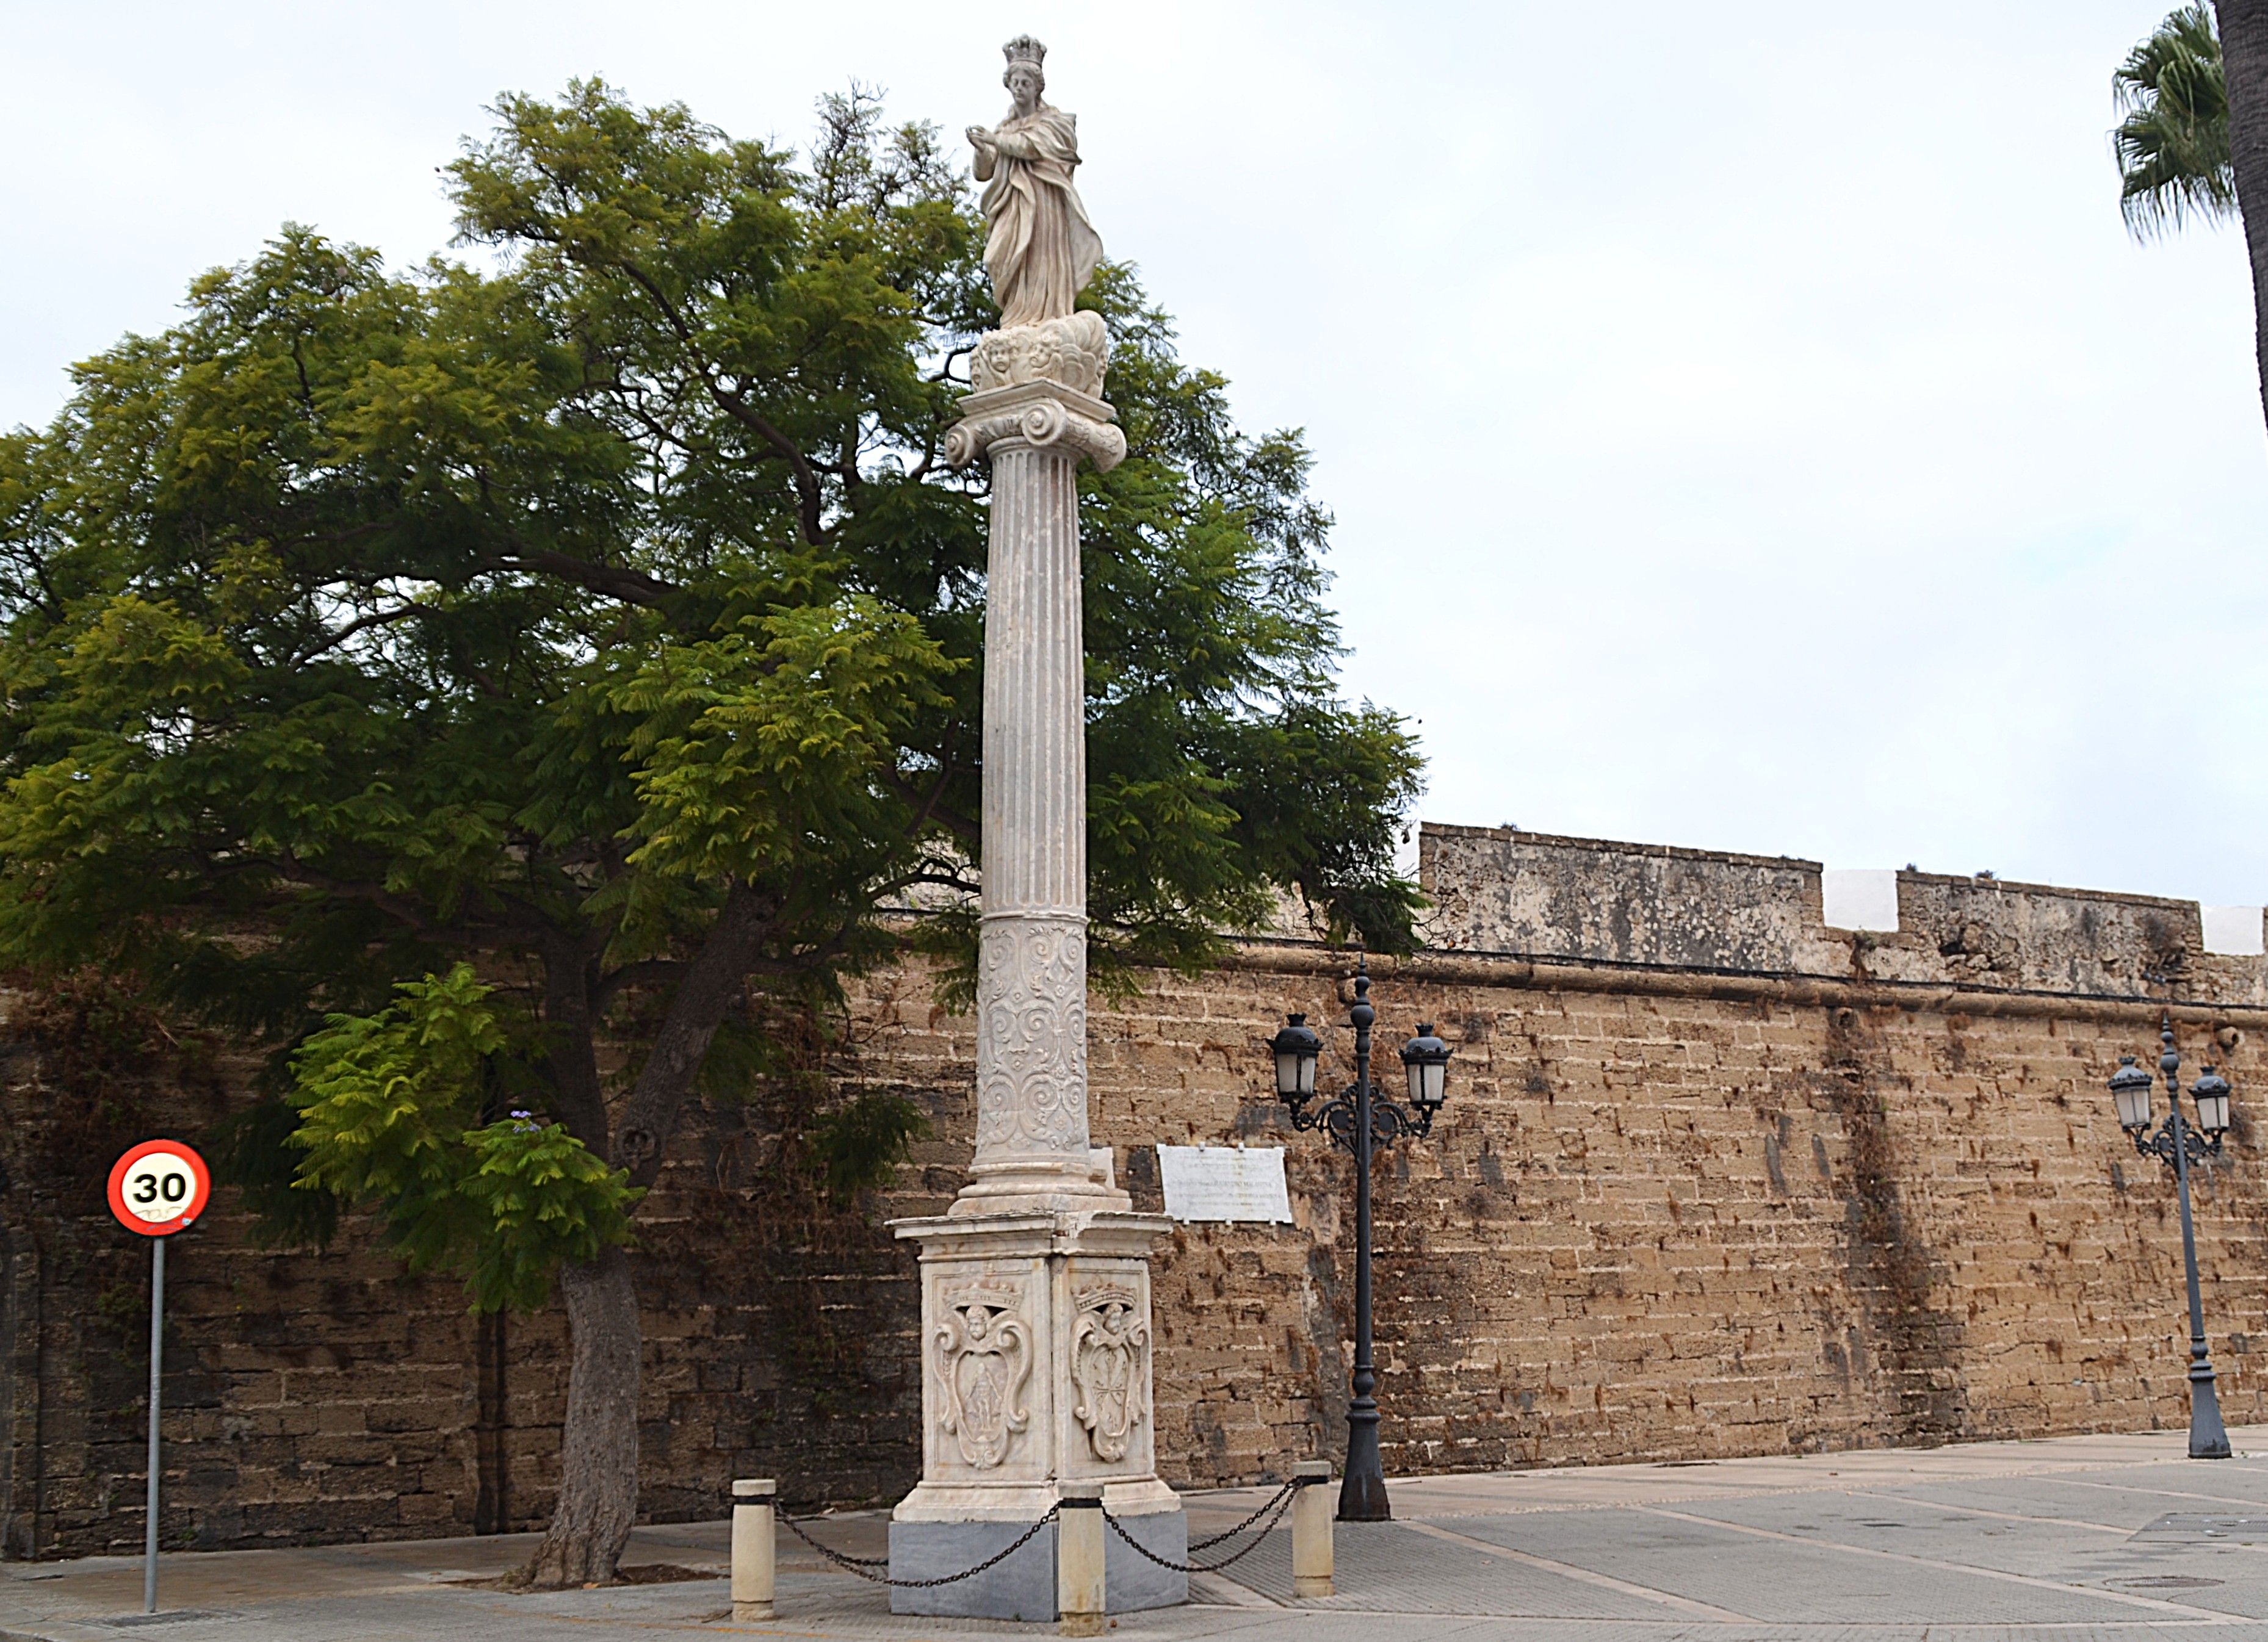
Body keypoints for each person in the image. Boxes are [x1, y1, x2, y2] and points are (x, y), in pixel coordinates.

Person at [966, 37, 1103, 329]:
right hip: (1013, 205)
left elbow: (1032, 147)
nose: (1019, 88)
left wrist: (995, 141)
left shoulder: (1054, 122)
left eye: (1025, 83)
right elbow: (984, 172)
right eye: (1014, 82)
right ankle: (1017, 321)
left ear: (1037, 86)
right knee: (999, 258)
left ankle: (1043, 320)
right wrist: (981, 148)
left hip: (1043, 206)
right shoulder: (1004, 128)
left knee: (1040, 259)